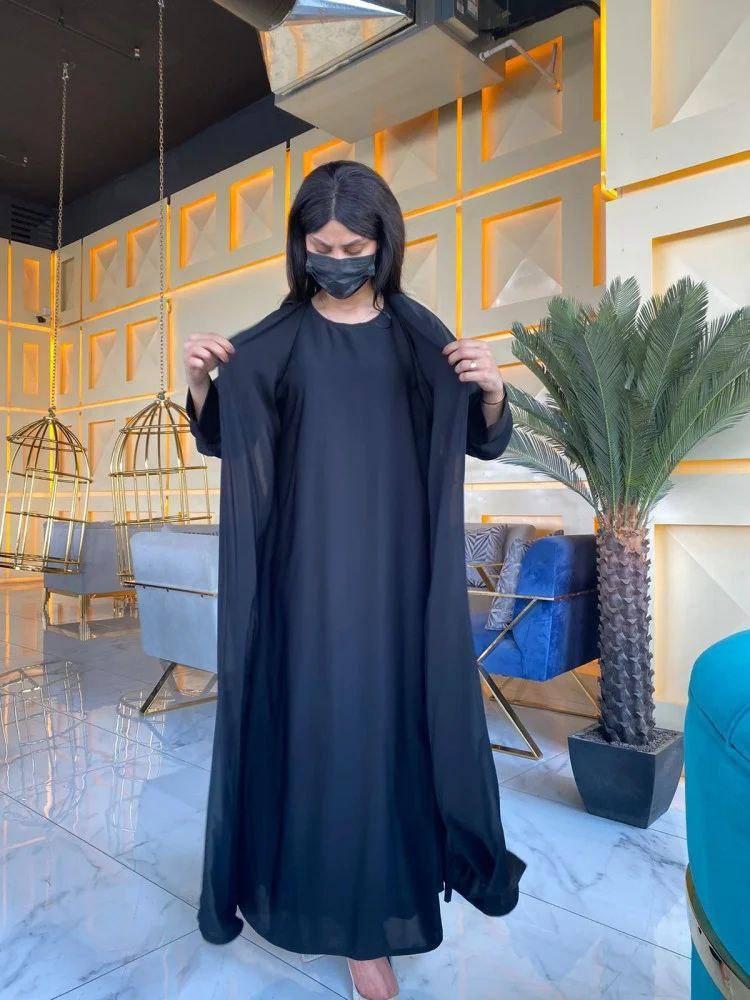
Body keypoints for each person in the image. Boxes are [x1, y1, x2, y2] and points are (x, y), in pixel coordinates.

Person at [184, 160, 526, 1000]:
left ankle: (379, 912)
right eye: (321, 246)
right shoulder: (277, 342)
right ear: (301, 246)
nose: (336, 260)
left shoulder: (419, 341)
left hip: (400, 582)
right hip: (302, 583)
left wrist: (491, 392)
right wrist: (198, 384)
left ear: (383, 243)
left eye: (353, 247)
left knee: (389, 738)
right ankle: (329, 911)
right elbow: (228, 436)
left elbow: (481, 439)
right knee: (318, 736)